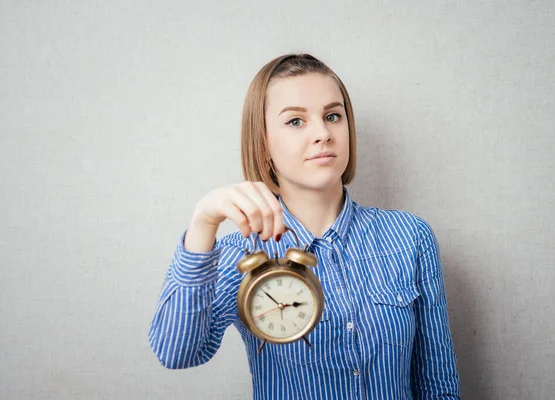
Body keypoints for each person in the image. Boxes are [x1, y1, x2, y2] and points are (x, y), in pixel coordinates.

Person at [149, 53, 460, 399]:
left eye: (332, 116)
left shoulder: (408, 236)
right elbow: (176, 352)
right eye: (295, 122)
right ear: (263, 143)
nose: (323, 134)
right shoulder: (242, 253)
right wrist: (203, 222)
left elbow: (437, 383)